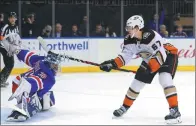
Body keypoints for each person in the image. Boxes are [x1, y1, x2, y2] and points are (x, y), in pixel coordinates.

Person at [99, 15, 181, 124]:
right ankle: (124, 107)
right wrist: (113, 64)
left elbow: (160, 56)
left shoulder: (151, 36)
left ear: (138, 28)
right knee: (137, 83)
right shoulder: (129, 40)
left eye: (130, 27)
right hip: (150, 58)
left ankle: (175, 111)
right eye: (127, 28)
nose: (127, 30)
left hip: (168, 55)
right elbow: (125, 56)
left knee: (164, 79)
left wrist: (149, 68)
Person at [1, 34, 62, 122]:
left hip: (33, 88)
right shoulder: (40, 61)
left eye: (57, 66)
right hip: (27, 82)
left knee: (25, 84)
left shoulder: (49, 77)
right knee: (17, 80)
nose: (57, 68)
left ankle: (24, 106)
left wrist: (27, 84)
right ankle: (22, 102)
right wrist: (17, 50)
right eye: (55, 66)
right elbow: (28, 56)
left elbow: (37, 82)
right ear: (50, 64)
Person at [0, 12, 19, 87]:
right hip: (3, 47)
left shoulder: (16, 27)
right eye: (11, 17)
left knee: (10, 64)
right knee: (10, 64)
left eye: (14, 17)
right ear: (8, 19)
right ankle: (1, 80)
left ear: (16, 19)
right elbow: (1, 37)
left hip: (10, 48)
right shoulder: (5, 27)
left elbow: (16, 37)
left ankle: (2, 80)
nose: (12, 19)